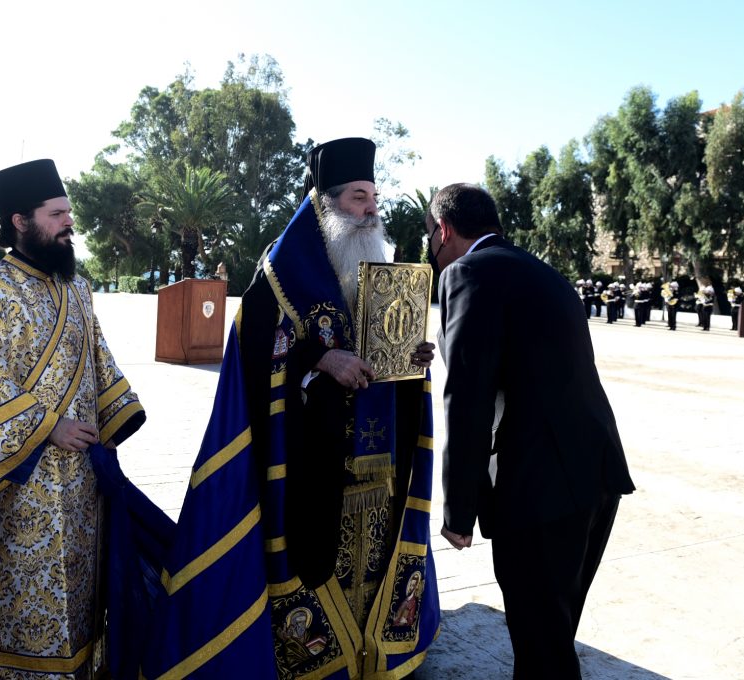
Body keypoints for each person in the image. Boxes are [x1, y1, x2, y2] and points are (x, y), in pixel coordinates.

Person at [143, 138, 439, 679]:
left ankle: (372, 654)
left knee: (372, 565)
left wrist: (412, 361)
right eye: (357, 197)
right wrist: (321, 360)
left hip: (375, 468)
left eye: (374, 196)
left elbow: (388, 359)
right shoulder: (278, 281)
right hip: (307, 469)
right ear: (326, 203)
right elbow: (255, 359)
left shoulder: (382, 273)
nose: (371, 209)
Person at [0, 158, 148, 678]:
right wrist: (50, 426)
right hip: (15, 485)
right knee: (23, 602)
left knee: (78, 600)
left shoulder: (77, 289)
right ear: (20, 221)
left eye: (68, 214)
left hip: (80, 485)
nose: (68, 224)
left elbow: (99, 360)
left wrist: (112, 425)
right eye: (56, 215)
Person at [427, 183, 635, 679]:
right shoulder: (542, 271)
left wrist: (461, 508)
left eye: (431, 237)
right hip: (595, 474)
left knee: (542, 644)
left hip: (540, 488)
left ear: (444, 230)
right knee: (553, 633)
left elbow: (468, 396)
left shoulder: (467, 271)